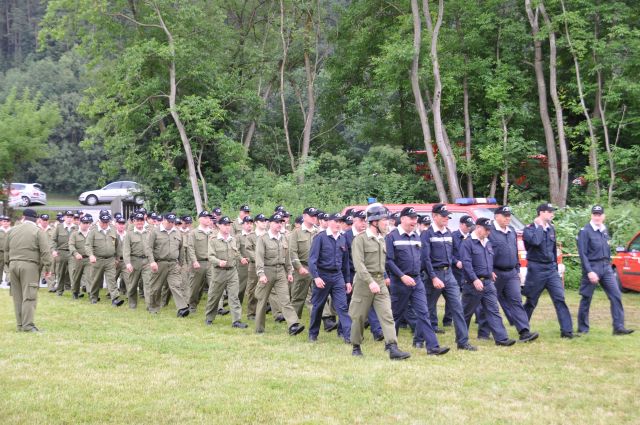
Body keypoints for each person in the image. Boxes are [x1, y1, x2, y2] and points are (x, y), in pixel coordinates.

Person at [349, 203, 411, 360]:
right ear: (374, 222)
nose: (387, 223)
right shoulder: (360, 240)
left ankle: (392, 347)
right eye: (384, 220)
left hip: (380, 282)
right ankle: (356, 346)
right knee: (359, 317)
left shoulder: (382, 239)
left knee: (387, 314)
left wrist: (384, 277)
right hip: (364, 283)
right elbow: (359, 264)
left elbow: (382, 263)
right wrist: (370, 282)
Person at [386, 207, 449, 356]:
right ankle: (391, 345)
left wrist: (432, 276)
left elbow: (424, 259)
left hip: (417, 280)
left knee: (424, 312)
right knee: (396, 314)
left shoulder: (416, 236)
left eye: (415, 218)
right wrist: (402, 276)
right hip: (400, 281)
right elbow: (388, 261)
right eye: (411, 218)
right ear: (402, 219)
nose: (414, 221)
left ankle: (433, 347)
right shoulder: (392, 237)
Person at [421, 204, 476, 351]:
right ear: (434, 216)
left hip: (449, 274)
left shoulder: (449, 233)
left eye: (447, 216)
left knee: (457, 308)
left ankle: (462, 342)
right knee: (426, 309)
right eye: (443, 216)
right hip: (433, 275)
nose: (446, 218)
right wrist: (433, 277)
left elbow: (451, 255)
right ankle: (419, 339)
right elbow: (425, 258)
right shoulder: (427, 234)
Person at [483, 206, 539, 343]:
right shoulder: (489, 231)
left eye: (509, 215)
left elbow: (514, 251)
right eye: (505, 215)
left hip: (511, 272)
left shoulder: (511, 231)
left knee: (516, 301)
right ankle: (483, 332)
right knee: (489, 302)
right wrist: (488, 270)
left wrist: (517, 269)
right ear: (496, 216)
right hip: (495, 272)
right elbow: (483, 251)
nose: (508, 218)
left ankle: (524, 332)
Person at [577, 205, 634, 335]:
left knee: (616, 295)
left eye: (599, 215)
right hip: (592, 267)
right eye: (595, 214)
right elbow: (582, 254)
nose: (597, 217)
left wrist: (608, 266)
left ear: (603, 216)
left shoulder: (604, 230)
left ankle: (618, 328)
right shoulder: (585, 231)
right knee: (586, 298)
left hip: (606, 267)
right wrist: (589, 271)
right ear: (591, 216)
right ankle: (583, 329)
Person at [522, 203, 576, 338]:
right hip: (536, 269)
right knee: (531, 301)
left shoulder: (551, 228)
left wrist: (556, 268)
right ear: (541, 213)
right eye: (549, 211)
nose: (552, 214)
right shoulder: (529, 229)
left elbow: (553, 250)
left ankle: (567, 331)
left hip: (551, 269)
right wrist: (540, 226)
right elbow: (535, 242)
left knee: (560, 298)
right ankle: (522, 328)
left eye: (553, 211)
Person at [460, 218, 516, 347]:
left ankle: (501, 339)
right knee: (466, 313)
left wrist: (490, 272)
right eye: (486, 230)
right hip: (472, 284)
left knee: (493, 310)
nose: (488, 232)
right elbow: (466, 264)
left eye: (489, 230)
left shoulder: (487, 242)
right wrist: (474, 279)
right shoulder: (467, 243)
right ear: (478, 227)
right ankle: (462, 340)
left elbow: (488, 259)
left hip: (488, 282)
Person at [254, 213, 305, 335]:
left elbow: (287, 257)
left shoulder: (283, 238)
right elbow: (259, 258)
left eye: (281, 222)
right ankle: (259, 328)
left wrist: (289, 272)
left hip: (281, 271)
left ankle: (293, 325)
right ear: (270, 223)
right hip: (267, 271)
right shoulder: (263, 238)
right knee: (262, 300)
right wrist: (261, 274)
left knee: (285, 299)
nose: (279, 224)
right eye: (276, 222)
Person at [5, 209, 53, 332]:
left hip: (13, 265)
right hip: (29, 266)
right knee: (30, 297)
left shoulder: (12, 230)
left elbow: (6, 250)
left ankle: (20, 325)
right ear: (36, 219)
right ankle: (28, 326)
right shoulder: (38, 231)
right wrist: (48, 268)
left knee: (17, 297)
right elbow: (45, 252)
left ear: (23, 217)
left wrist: (9, 265)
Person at [307, 213, 352, 343]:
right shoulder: (320, 238)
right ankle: (313, 334)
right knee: (318, 306)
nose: (338, 224)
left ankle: (348, 335)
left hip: (338, 276)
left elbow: (345, 263)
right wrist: (316, 277)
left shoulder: (342, 239)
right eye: (335, 221)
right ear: (329, 222)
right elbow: (312, 260)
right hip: (323, 275)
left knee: (342, 307)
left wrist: (347, 281)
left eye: (340, 222)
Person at [204, 216, 247, 329]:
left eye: (229, 225)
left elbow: (236, 252)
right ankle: (209, 318)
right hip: (219, 272)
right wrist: (219, 262)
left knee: (234, 296)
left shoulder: (232, 239)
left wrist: (241, 259)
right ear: (219, 225)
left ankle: (236, 321)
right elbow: (210, 256)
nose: (228, 227)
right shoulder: (213, 240)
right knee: (214, 296)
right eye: (225, 225)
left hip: (232, 271)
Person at [145, 213, 190, 317]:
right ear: (163, 220)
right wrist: (152, 262)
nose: (171, 224)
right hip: (159, 263)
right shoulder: (155, 232)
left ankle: (182, 308)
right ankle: (153, 307)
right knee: (156, 287)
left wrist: (181, 264)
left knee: (176, 285)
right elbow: (148, 248)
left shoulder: (177, 232)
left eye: (172, 222)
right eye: (169, 222)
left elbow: (181, 249)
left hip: (173, 264)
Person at [288, 207, 319, 318]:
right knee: (298, 296)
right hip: (303, 268)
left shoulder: (319, 232)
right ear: (304, 216)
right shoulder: (296, 233)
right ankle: (294, 321)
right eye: (311, 215)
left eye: (315, 215)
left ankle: (322, 319)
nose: (314, 218)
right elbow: (293, 252)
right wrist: (299, 267)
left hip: (317, 268)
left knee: (318, 295)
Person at [86, 213, 122, 306]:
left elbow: (118, 245)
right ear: (99, 221)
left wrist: (117, 258)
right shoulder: (93, 231)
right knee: (96, 279)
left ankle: (115, 299)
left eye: (106, 222)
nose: (105, 224)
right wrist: (91, 255)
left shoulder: (113, 230)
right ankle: (93, 297)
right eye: (103, 222)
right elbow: (88, 245)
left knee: (112, 279)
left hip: (110, 259)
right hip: (97, 259)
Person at [123, 212, 151, 309]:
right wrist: (128, 263)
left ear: (144, 221)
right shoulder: (129, 234)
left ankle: (150, 306)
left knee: (148, 283)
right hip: (134, 261)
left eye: (141, 220)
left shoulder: (149, 233)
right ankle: (132, 304)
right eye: (137, 220)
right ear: (134, 221)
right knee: (132, 284)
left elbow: (152, 248)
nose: (139, 222)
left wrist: (152, 261)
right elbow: (126, 250)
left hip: (146, 261)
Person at [187, 211, 213, 313]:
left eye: (209, 218)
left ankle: (218, 307)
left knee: (215, 285)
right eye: (205, 218)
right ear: (200, 219)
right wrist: (194, 261)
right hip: (199, 263)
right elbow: (190, 248)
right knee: (195, 287)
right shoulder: (193, 233)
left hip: (211, 263)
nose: (208, 220)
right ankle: (192, 305)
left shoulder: (213, 232)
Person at [244, 213, 267, 320]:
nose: (264, 223)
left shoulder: (268, 235)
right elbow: (249, 250)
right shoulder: (251, 236)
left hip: (267, 265)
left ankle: (264, 311)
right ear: (256, 223)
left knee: (267, 288)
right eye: (262, 221)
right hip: (254, 266)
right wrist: (259, 260)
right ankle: (251, 313)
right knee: (252, 289)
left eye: (265, 221)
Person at [51, 210, 76, 295]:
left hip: (72, 253)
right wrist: (53, 250)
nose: (69, 219)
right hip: (61, 253)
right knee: (60, 273)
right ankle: (59, 291)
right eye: (67, 217)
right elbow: (53, 240)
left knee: (73, 272)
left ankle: (75, 292)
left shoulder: (76, 227)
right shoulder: (59, 227)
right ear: (64, 217)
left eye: (71, 217)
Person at [68, 215, 93, 300]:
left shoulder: (92, 233)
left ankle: (91, 294)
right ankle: (75, 292)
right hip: (78, 259)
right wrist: (75, 254)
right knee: (76, 277)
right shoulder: (74, 234)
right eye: (84, 223)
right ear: (80, 223)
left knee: (89, 276)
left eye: (87, 223)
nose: (86, 225)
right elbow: (71, 245)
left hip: (89, 258)